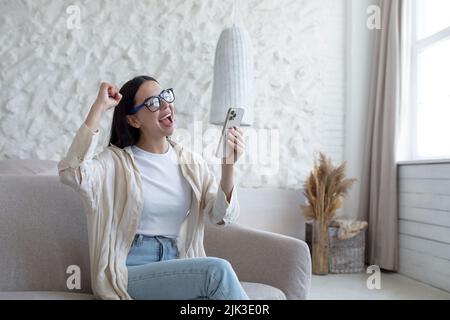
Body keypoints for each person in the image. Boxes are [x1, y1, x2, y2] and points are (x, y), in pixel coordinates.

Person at [57, 75, 249, 300]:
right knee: (216, 272)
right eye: (153, 102)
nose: (166, 104)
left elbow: (221, 217)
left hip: (176, 265)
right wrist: (99, 107)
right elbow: (72, 172)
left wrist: (228, 166)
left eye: (165, 96)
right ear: (134, 121)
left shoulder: (190, 162)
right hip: (129, 271)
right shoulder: (114, 163)